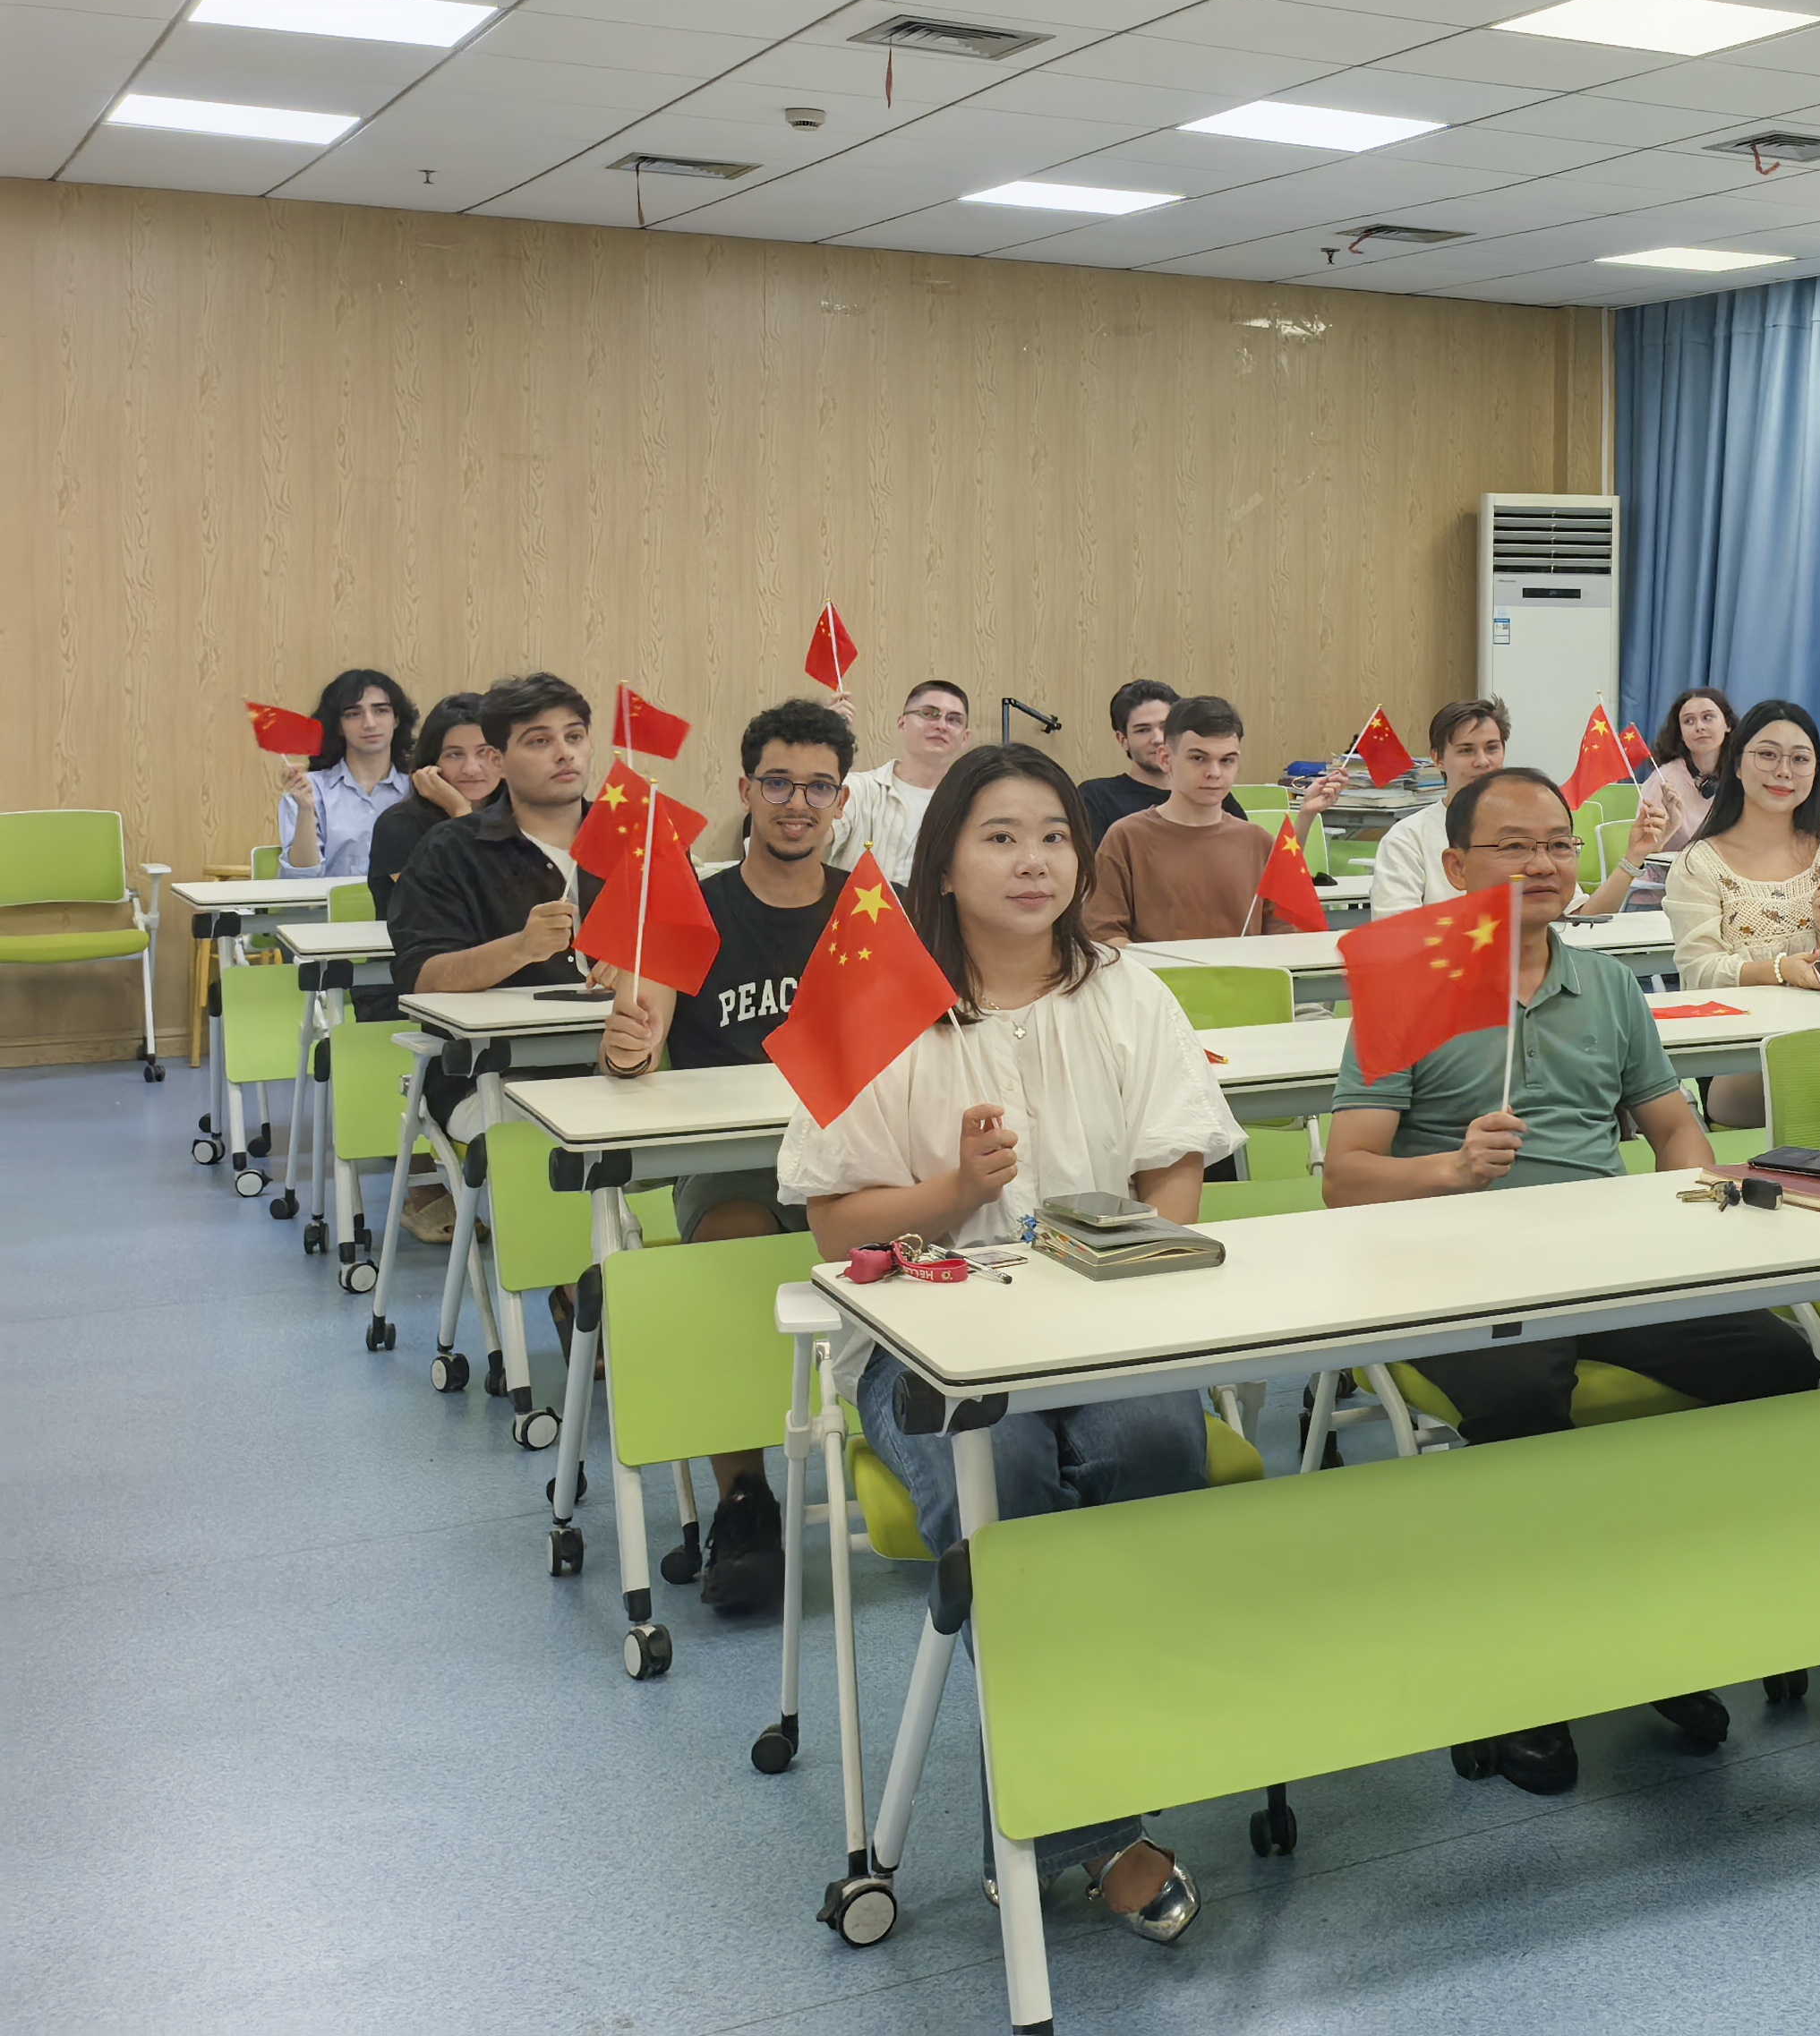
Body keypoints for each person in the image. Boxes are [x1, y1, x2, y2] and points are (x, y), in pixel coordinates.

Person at [777, 743, 1231, 1946]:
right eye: (1000, 837)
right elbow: (834, 1227)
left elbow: (1173, 1166)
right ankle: (1094, 1832)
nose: (1034, 862)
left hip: (1101, 1333)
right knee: (1008, 1478)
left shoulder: (1126, 991)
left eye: (1054, 836)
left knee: (1147, 1446)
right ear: (942, 862)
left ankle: (1058, 1811)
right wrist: (953, 1191)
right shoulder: (874, 995)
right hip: (925, 1350)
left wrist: (1129, 1275)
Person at [1323, 762, 1813, 1793]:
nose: (1542, 863)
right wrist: (1451, 1169)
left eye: (1555, 844)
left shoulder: (1607, 985)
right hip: (1459, 1271)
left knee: (1775, 1362)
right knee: (1519, 1399)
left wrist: (1693, 1202)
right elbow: (1346, 1176)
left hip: (1606, 1258)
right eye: (1513, 847)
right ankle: (1531, 1670)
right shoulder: (1407, 988)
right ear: (1456, 866)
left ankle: (1654, 1620)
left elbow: (1671, 1125)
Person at [593, 698, 853, 1614]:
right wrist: (628, 1050)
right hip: (734, 1159)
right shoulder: (690, 907)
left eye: (817, 787)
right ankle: (744, 1498)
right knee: (734, 1247)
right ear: (746, 789)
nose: (797, 804)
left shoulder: (868, 906)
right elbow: (639, 1036)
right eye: (778, 783)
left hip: (851, 1150)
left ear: (841, 799)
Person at [1663, 701, 1820, 1136]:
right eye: (1767, 755)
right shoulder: (1698, 863)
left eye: (1800, 759)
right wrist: (1780, 971)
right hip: (1743, 1057)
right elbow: (1699, 974)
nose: (1783, 772)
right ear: (1736, 765)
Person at [389, 671, 598, 1004]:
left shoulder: (638, 839)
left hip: (629, 1031)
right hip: (512, 1036)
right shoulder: (451, 851)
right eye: (539, 741)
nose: (565, 753)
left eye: (574, 737)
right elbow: (420, 978)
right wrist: (521, 948)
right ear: (497, 761)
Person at [1366, 697, 1642, 920]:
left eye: (1492, 748)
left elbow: (1580, 916)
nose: (1482, 762)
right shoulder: (1408, 838)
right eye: (1466, 751)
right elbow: (1396, 934)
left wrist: (1633, 858)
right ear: (1438, 759)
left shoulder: (1533, 828)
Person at [1081, 696, 1285, 942]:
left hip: (1245, 968)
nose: (1214, 773)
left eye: (1226, 760)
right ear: (1165, 759)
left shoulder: (1259, 842)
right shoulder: (1126, 838)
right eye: (1198, 758)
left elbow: (1285, 935)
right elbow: (1104, 933)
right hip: (1152, 968)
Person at [275, 666, 416, 882]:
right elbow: (300, 880)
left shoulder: (418, 788)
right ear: (339, 726)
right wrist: (305, 809)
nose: (369, 723)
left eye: (381, 711)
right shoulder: (310, 789)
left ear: (396, 719)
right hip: (327, 904)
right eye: (353, 714)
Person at [369, 691, 500, 921]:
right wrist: (461, 813)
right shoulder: (399, 825)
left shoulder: (520, 817)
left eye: (484, 752)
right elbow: (460, 908)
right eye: (455, 755)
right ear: (431, 764)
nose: (471, 768)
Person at [827, 678, 971, 880]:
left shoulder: (971, 806)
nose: (941, 725)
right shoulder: (857, 790)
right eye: (928, 713)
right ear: (902, 723)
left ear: (965, 738)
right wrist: (822, 741)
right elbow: (813, 840)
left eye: (954, 719)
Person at [1633, 688, 1733, 849]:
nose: (1699, 727)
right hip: (1671, 864)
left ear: (1728, 724)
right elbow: (1645, 849)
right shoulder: (1664, 780)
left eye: (1708, 717)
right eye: (1689, 721)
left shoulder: (1742, 773)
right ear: (1681, 733)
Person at [1079, 679, 1179, 838]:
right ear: (1123, 740)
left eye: (1165, 727)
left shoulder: (1206, 792)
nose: (1158, 739)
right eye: (1143, 730)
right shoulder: (1098, 797)